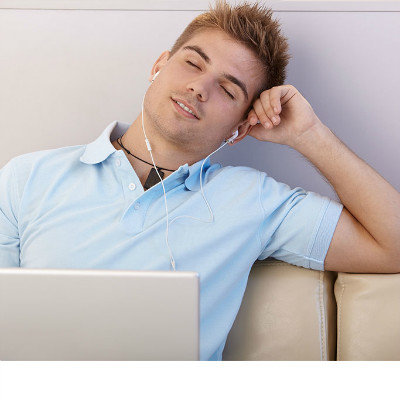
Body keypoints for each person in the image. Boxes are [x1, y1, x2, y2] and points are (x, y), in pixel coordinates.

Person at [1, 0, 399, 361]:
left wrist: (309, 135)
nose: (199, 88)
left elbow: (392, 245)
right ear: (159, 66)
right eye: (193, 63)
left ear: (241, 127)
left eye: (227, 89)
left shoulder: (253, 199)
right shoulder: (27, 177)